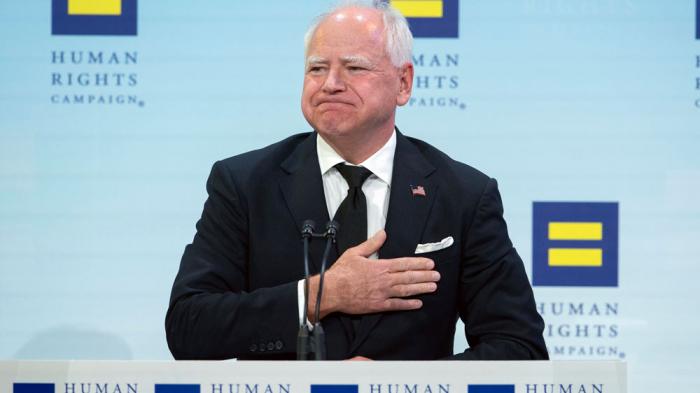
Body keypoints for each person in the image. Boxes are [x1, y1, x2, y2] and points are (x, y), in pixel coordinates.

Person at [165, 0, 548, 361]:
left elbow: (519, 346)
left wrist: (396, 384)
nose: (330, 83)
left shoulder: (462, 194)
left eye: (354, 67)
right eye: (317, 68)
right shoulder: (244, 184)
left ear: (403, 83)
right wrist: (322, 294)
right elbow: (188, 327)